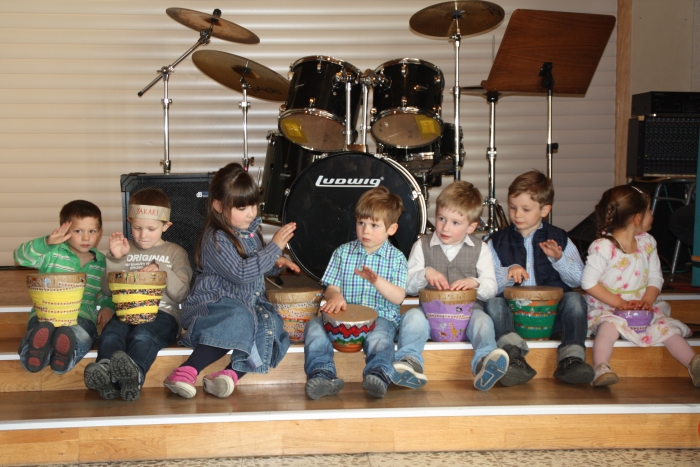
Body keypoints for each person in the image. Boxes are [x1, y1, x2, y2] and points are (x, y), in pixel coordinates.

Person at [163, 163, 299, 399]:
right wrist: (274, 247)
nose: (251, 213)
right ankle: (187, 369)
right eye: (242, 207)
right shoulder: (215, 238)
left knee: (272, 324)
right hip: (216, 305)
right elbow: (240, 273)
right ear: (218, 206)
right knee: (240, 317)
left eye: (254, 205)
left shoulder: (251, 233)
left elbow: (254, 267)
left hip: (247, 303)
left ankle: (229, 374)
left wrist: (276, 263)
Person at [484, 170, 594, 385]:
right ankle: (513, 356)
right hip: (514, 319)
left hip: (552, 319)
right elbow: (487, 284)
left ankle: (571, 359)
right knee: (493, 303)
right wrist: (507, 272)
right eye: (513, 207)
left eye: (526, 209)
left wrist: (559, 259)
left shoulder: (560, 238)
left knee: (575, 300)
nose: (517, 215)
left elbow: (579, 280)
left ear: (545, 210)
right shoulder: (496, 241)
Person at [582, 185, 700, 387]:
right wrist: (620, 303)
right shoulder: (603, 247)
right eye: (650, 211)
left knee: (667, 329)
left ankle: (693, 363)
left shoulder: (647, 243)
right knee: (609, 327)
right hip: (609, 306)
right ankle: (601, 367)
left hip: (641, 307)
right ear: (637, 218)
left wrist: (647, 301)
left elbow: (655, 278)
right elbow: (588, 283)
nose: (653, 214)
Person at [84, 188, 193, 401]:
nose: (143, 235)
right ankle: (107, 373)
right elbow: (107, 290)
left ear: (166, 226)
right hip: (125, 312)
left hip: (163, 314)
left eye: (151, 229)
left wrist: (162, 269)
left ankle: (135, 376)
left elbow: (181, 294)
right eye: (137, 228)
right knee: (111, 334)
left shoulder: (175, 253)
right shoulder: (124, 249)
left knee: (142, 335)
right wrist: (116, 260)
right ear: (129, 222)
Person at [400, 181, 508, 391]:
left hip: (468, 315)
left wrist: (474, 283)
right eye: (441, 219)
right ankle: (409, 361)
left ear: (471, 227)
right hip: (431, 316)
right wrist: (425, 273)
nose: (445, 227)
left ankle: (484, 362)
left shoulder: (481, 249)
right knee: (411, 318)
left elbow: (492, 287)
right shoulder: (421, 245)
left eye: (455, 223)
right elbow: (407, 285)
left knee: (483, 321)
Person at [304, 186, 408, 400]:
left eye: (374, 225)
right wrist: (335, 295)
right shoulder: (343, 253)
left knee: (381, 337)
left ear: (392, 228)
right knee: (314, 327)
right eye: (361, 223)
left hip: (380, 318)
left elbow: (398, 298)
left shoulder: (397, 259)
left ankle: (378, 374)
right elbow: (331, 286)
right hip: (343, 320)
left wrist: (377, 280)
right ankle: (322, 374)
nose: (366, 231)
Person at [14, 200, 114, 374]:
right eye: (78, 231)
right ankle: (33, 354)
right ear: (64, 230)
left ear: (100, 232)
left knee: (79, 335)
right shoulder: (51, 253)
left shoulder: (102, 262)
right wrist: (46, 243)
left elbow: (106, 290)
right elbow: (21, 257)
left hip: (81, 317)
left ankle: (63, 356)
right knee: (39, 331)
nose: (86, 237)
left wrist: (107, 306)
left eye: (92, 231)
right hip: (45, 314)